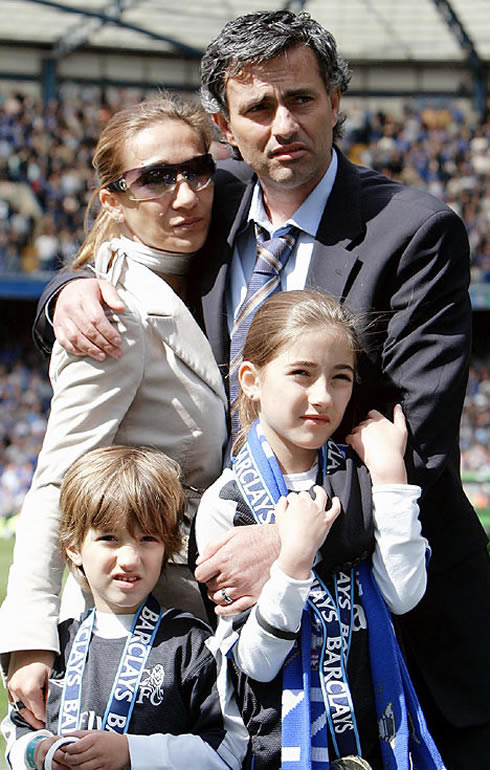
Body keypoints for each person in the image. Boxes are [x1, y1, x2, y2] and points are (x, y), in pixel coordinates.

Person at [32, 11, 490, 769]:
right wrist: (70, 285)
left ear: (335, 100)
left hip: (397, 629)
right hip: (247, 642)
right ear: (223, 125)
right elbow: (123, 232)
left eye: (302, 99)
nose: (284, 124)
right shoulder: (209, 200)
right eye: (258, 108)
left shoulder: (414, 230)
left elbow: (418, 444)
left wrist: (288, 543)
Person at [0, 95, 228, 731]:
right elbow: (58, 477)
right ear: (112, 199)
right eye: (154, 179)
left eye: (196, 171)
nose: (184, 196)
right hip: (137, 625)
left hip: (195, 605)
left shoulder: (205, 265)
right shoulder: (111, 312)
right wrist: (31, 636)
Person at [195, 290, 444, 769]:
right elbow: (255, 661)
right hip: (279, 742)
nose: (323, 396)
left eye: (341, 377)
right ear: (251, 379)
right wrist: (292, 561)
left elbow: (404, 593)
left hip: (376, 729)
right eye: (301, 374)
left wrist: (391, 474)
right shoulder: (226, 502)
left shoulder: (364, 477)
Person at [1, 445, 248, 770]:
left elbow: (227, 751)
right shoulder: (58, 644)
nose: (130, 559)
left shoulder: (190, 644)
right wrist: (38, 752)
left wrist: (131, 752)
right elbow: (17, 733)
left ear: (168, 548)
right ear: (74, 548)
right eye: (109, 539)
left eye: (148, 539)